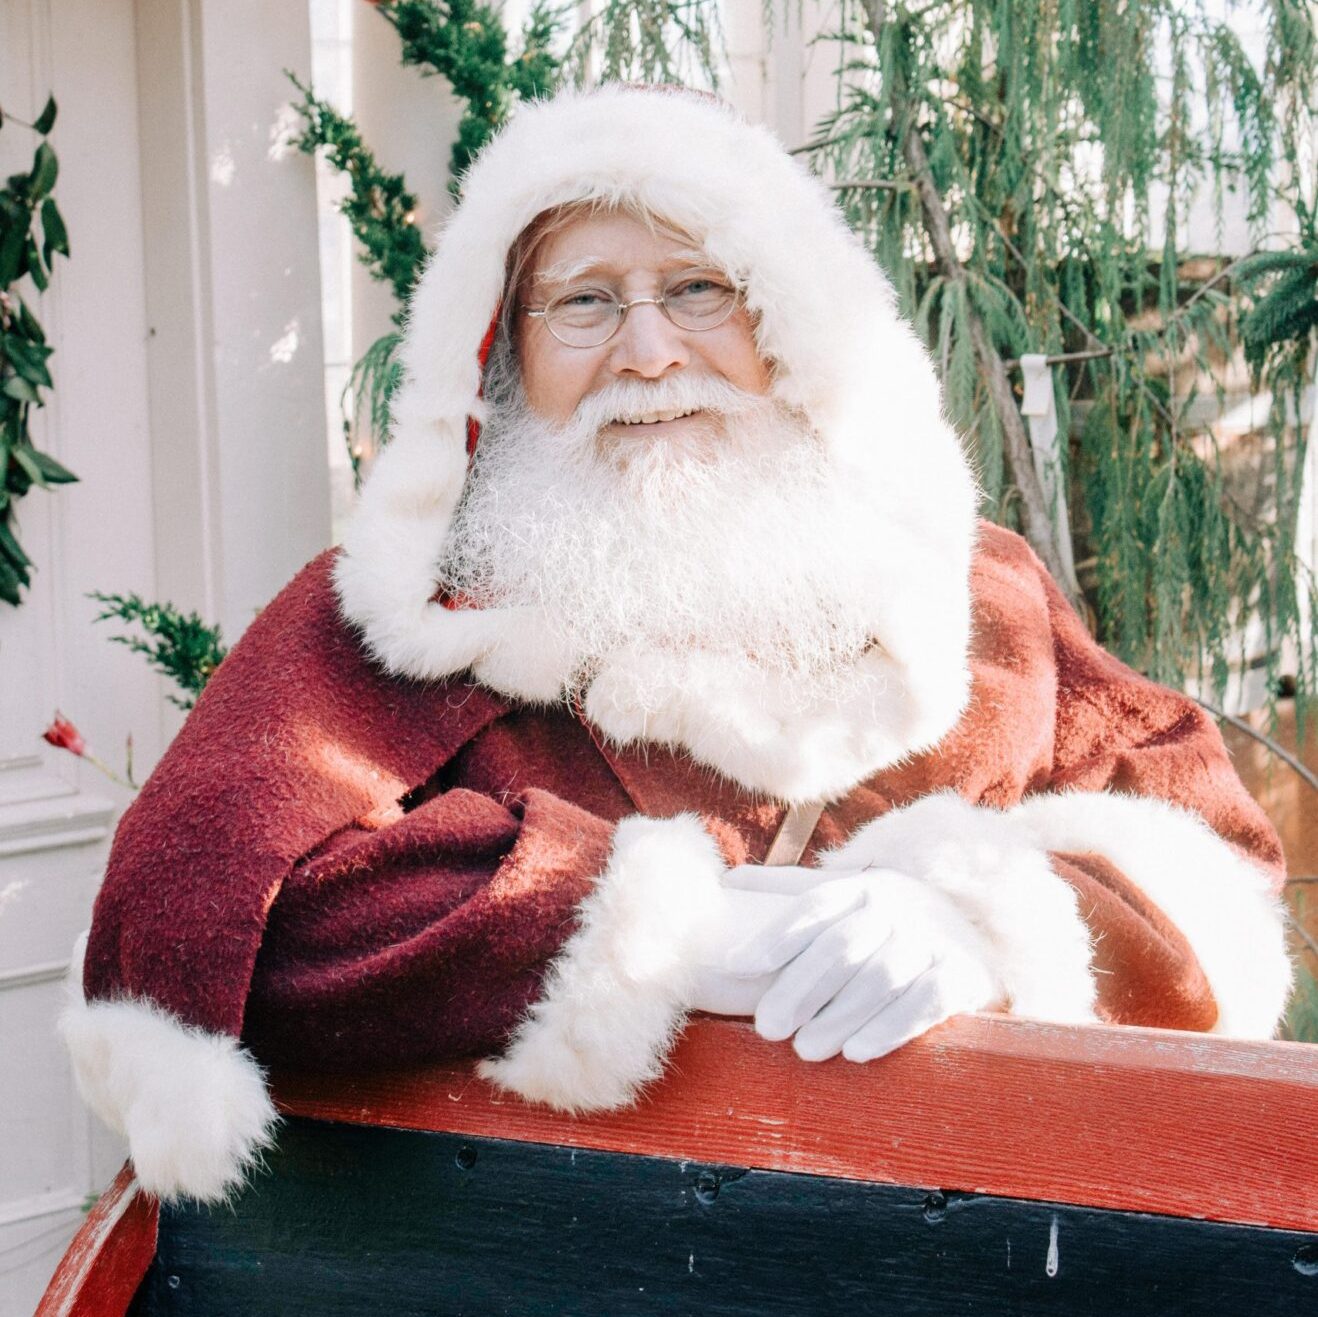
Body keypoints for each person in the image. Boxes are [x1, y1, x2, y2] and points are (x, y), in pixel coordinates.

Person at [62, 85, 1290, 1205]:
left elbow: (1212, 863)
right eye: (585, 302)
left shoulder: (971, 584)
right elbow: (199, 913)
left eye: (698, 289)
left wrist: (991, 922)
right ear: (504, 355)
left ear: (785, 317)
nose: (648, 354)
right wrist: (661, 929)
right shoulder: (401, 615)